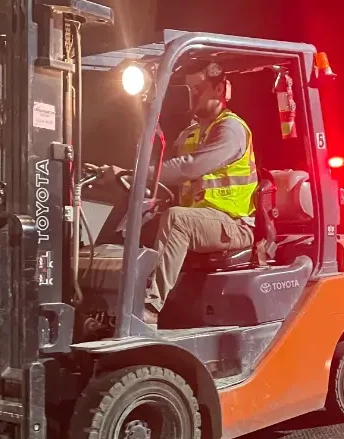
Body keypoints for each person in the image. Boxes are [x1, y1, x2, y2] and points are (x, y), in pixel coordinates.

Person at [107, 61, 257, 325]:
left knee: (178, 219)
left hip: (232, 224)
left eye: (198, 89)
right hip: (205, 222)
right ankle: (109, 298)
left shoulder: (230, 130)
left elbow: (189, 168)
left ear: (219, 89)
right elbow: (165, 168)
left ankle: (148, 308)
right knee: (139, 218)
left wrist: (141, 173)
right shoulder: (191, 133)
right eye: (189, 89)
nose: (193, 95)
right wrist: (128, 175)